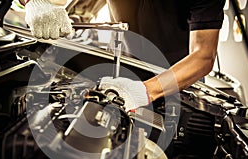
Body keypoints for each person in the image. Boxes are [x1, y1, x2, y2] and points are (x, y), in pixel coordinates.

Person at [22, 0, 226, 111]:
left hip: (177, 84)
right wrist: (35, 2)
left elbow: (203, 56)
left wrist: (144, 91)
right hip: (123, 72)